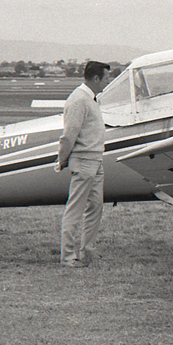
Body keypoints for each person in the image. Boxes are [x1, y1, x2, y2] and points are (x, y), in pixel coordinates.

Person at [56, 60, 111, 267]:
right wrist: (63, 160)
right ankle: (68, 257)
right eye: (106, 78)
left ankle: (87, 252)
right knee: (76, 210)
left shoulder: (91, 99)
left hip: (96, 160)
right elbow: (69, 136)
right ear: (96, 78)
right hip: (84, 161)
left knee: (95, 208)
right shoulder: (78, 100)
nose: (108, 82)